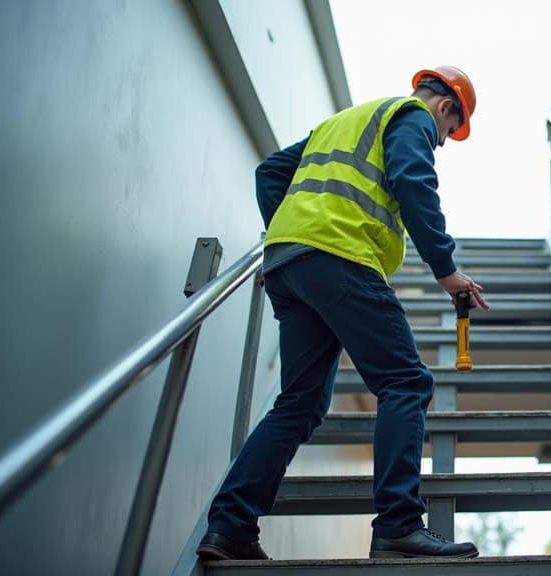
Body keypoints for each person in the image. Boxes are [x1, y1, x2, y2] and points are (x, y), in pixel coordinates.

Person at [196, 65, 489, 562]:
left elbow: (270, 173)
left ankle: (230, 527)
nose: (438, 142)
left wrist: (284, 239)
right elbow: (413, 180)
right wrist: (445, 268)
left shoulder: (343, 123)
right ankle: (398, 524)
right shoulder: (413, 115)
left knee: (299, 404)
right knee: (406, 382)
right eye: (445, 137)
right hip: (340, 257)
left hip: (294, 264)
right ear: (446, 108)